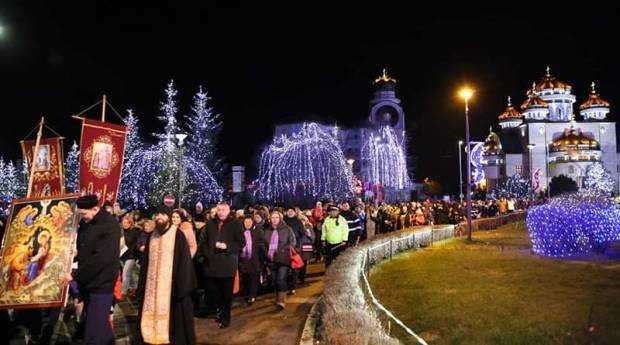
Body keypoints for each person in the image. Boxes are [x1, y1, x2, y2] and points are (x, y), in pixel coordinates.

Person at [66, 195, 121, 345]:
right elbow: (85, 246)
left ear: (95, 209)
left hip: (101, 283)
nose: (82, 218)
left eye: (84, 214)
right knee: (99, 325)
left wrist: (75, 276)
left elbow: (101, 260)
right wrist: (76, 252)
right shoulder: (87, 222)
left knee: (93, 333)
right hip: (88, 282)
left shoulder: (110, 226)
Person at [137, 206, 196, 345]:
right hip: (151, 290)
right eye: (157, 214)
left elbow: (184, 263)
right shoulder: (152, 235)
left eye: (163, 214)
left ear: (168, 217)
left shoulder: (178, 235)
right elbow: (145, 264)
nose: (159, 217)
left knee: (174, 326)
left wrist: (181, 287)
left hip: (172, 290)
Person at [199, 202, 245, 329]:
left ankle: (226, 317)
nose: (220, 212)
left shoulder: (235, 224)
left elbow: (242, 243)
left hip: (227, 264)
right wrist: (207, 255)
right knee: (214, 291)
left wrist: (227, 247)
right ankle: (219, 310)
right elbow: (203, 242)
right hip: (211, 264)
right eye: (219, 210)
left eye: (223, 210)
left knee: (226, 294)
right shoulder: (210, 224)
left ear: (228, 210)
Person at [264, 211, 296, 310]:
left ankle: (281, 301)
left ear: (280, 218)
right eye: (272, 217)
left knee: (280, 279)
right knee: (274, 280)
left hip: (283, 258)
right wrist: (266, 252)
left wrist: (282, 249)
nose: (274, 219)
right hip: (271, 259)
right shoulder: (267, 230)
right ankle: (277, 297)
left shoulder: (287, 229)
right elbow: (263, 244)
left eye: (276, 217)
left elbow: (293, 242)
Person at [238, 215, 265, 305]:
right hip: (243, 259)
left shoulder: (258, 231)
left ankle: (252, 296)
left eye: (249, 222)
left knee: (254, 277)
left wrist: (263, 258)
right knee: (246, 277)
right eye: (246, 222)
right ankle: (247, 293)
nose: (248, 224)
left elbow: (262, 245)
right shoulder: (240, 232)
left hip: (255, 258)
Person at [283, 207, 304, 295]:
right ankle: (287, 285)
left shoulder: (298, 221)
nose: (290, 212)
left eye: (292, 211)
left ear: (294, 212)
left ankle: (293, 286)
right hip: (285, 248)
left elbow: (302, 234)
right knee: (286, 267)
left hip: (295, 248)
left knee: (295, 267)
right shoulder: (283, 221)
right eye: (288, 211)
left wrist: (298, 245)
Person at [120, 215, 139, 298]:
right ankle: (135, 287)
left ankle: (123, 293)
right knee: (129, 274)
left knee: (125, 274)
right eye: (123, 223)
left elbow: (134, 244)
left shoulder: (134, 232)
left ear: (130, 223)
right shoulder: (121, 231)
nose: (124, 224)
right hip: (122, 255)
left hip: (131, 256)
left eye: (126, 223)